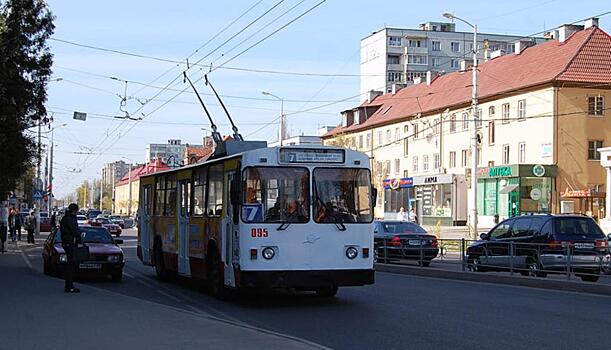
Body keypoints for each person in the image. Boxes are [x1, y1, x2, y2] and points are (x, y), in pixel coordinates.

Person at [60, 203, 83, 293]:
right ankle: (69, 286)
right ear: (75, 210)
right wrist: (80, 233)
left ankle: (69, 285)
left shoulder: (66, 218)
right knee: (71, 265)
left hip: (66, 242)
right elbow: (75, 231)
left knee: (70, 264)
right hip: (69, 243)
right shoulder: (70, 219)